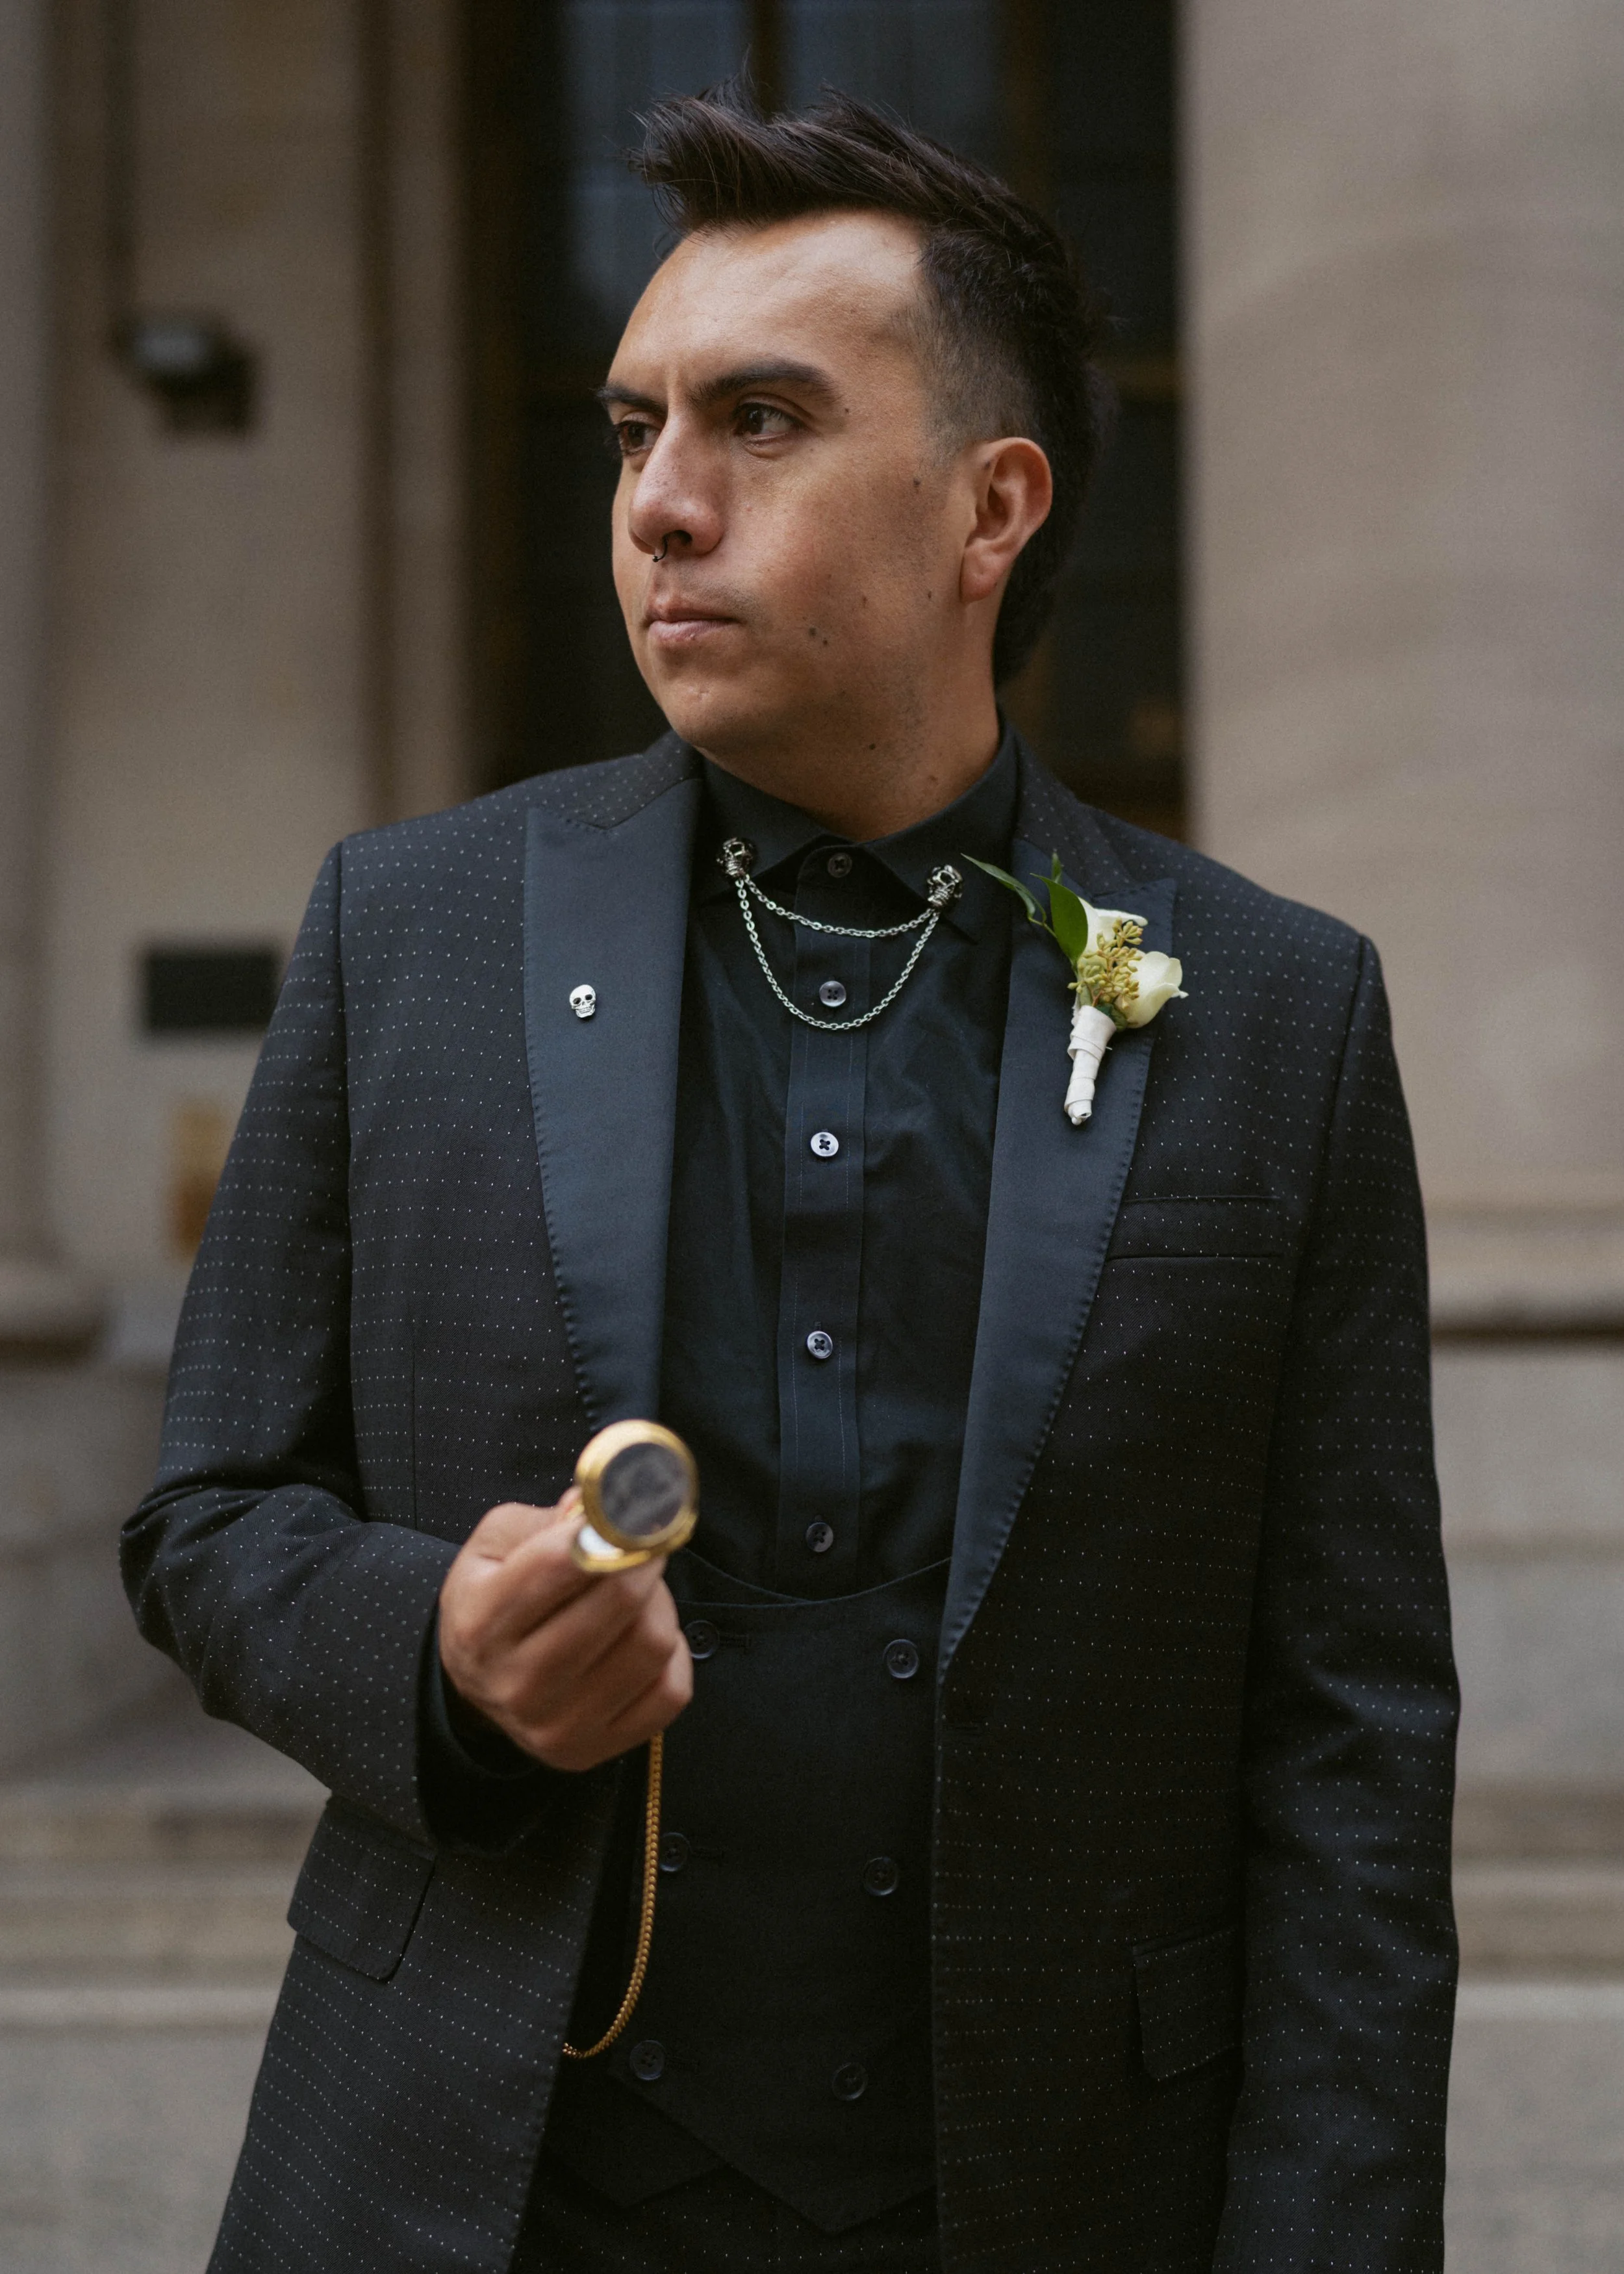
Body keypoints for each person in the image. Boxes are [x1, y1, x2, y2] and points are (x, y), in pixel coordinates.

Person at [122, 86, 1457, 2274]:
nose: (658, 501)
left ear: (987, 508)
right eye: (633, 424)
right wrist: (438, 1653)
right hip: (481, 2182)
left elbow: (1346, 1734)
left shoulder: (1280, 1014)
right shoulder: (412, 927)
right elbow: (208, 1511)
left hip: (1042, 2195)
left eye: (758, 421)